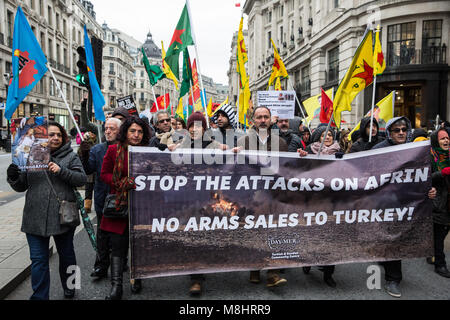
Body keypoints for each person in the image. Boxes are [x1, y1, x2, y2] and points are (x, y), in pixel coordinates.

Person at [7, 121, 87, 300]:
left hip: (63, 217)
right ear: (42, 137)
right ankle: (39, 296)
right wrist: (13, 176)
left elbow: (81, 179)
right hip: (34, 218)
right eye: (51, 135)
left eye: (59, 135)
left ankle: (71, 287)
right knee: (38, 260)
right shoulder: (30, 156)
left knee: (67, 255)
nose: (55, 138)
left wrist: (61, 170)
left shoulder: (70, 156)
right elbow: (22, 186)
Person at [372, 116, 437, 298]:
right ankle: (392, 279)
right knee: (390, 239)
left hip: (407, 204)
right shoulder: (378, 150)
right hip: (384, 203)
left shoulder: (415, 151)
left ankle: (390, 270)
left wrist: (430, 190)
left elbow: (424, 175)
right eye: (396, 130)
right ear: (389, 133)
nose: (401, 133)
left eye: (403, 130)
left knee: (396, 240)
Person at [172, 112, 226, 295]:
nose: (195, 129)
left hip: (209, 197)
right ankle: (196, 277)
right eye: (191, 126)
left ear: (204, 128)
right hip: (188, 198)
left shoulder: (216, 146)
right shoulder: (180, 146)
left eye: (199, 126)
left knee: (206, 234)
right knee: (192, 234)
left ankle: (206, 266)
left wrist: (232, 152)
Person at [236, 106, 288, 288]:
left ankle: (272, 273)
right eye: (259, 117)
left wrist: (300, 157)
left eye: (266, 117)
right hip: (252, 196)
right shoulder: (243, 142)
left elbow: (287, 167)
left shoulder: (280, 142)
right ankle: (255, 268)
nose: (263, 120)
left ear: (270, 120)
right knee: (255, 231)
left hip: (273, 195)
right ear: (253, 120)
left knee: (273, 231)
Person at [100, 117, 151, 300]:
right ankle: (116, 287)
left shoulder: (148, 151)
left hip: (143, 206)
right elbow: (104, 174)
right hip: (119, 205)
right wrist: (121, 182)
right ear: (125, 132)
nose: (136, 135)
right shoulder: (114, 150)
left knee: (139, 245)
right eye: (132, 131)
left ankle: (137, 278)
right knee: (118, 247)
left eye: (140, 132)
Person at [79, 117, 122, 281]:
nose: (108, 131)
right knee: (102, 235)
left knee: (119, 235)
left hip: (121, 198)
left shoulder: (126, 148)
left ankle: (120, 263)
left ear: (120, 131)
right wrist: (84, 153)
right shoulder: (97, 149)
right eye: (106, 129)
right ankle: (101, 266)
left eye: (112, 128)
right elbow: (88, 169)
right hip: (102, 198)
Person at [297, 126, 341, 287]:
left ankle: (329, 273)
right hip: (311, 201)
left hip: (332, 202)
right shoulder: (309, 150)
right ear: (317, 138)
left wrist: (343, 161)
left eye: (330, 135)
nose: (327, 137)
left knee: (331, 237)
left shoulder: (339, 152)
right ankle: (307, 261)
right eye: (323, 135)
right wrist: (303, 158)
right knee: (311, 233)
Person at [429, 128, 450, 278]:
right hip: (438, 203)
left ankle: (432, 253)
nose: (446, 141)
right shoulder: (431, 156)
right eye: (442, 138)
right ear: (436, 140)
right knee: (439, 235)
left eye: (447, 138)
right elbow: (426, 177)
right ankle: (440, 264)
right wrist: (442, 173)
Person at [77, 130, 97, 214]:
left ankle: (87, 206)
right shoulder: (93, 146)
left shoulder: (89, 146)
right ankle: (88, 206)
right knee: (91, 189)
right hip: (91, 171)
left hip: (90, 170)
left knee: (88, 189)